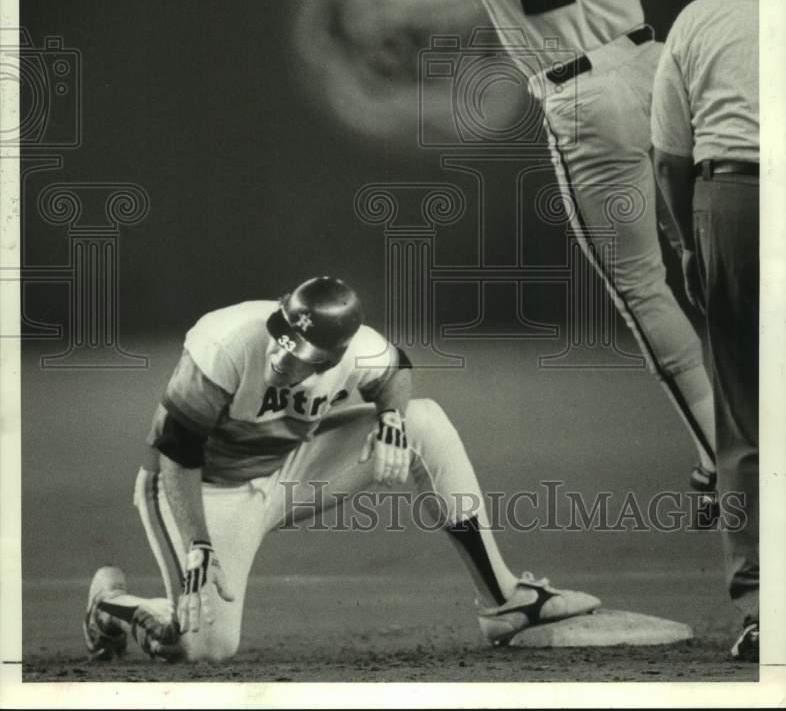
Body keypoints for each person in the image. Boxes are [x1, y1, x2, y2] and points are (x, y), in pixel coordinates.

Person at [195, 0, 759, 498]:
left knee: (644, 291)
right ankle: (747, 429)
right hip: (655, 67)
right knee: (717, 266)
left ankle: (720, 457)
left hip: (583, 96)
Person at [83, 276, 600, 663]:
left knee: (424, 422)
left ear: (333, 359)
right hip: (201, 489)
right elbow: (176, 454)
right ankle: (113, 604)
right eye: (282, 337)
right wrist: (199, 542)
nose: (282, 357)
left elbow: (396, 369)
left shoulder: (358, 349)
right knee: (202, 648)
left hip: (286, 470)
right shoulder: (225, 342)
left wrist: (392, 418)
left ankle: (505, 600)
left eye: (301, 354)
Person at [651, 0, 760, 663]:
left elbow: (669, 157)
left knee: (745, 419)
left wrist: (688, 247)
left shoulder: (699, 17)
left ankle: (761, 608)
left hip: (735, 200)